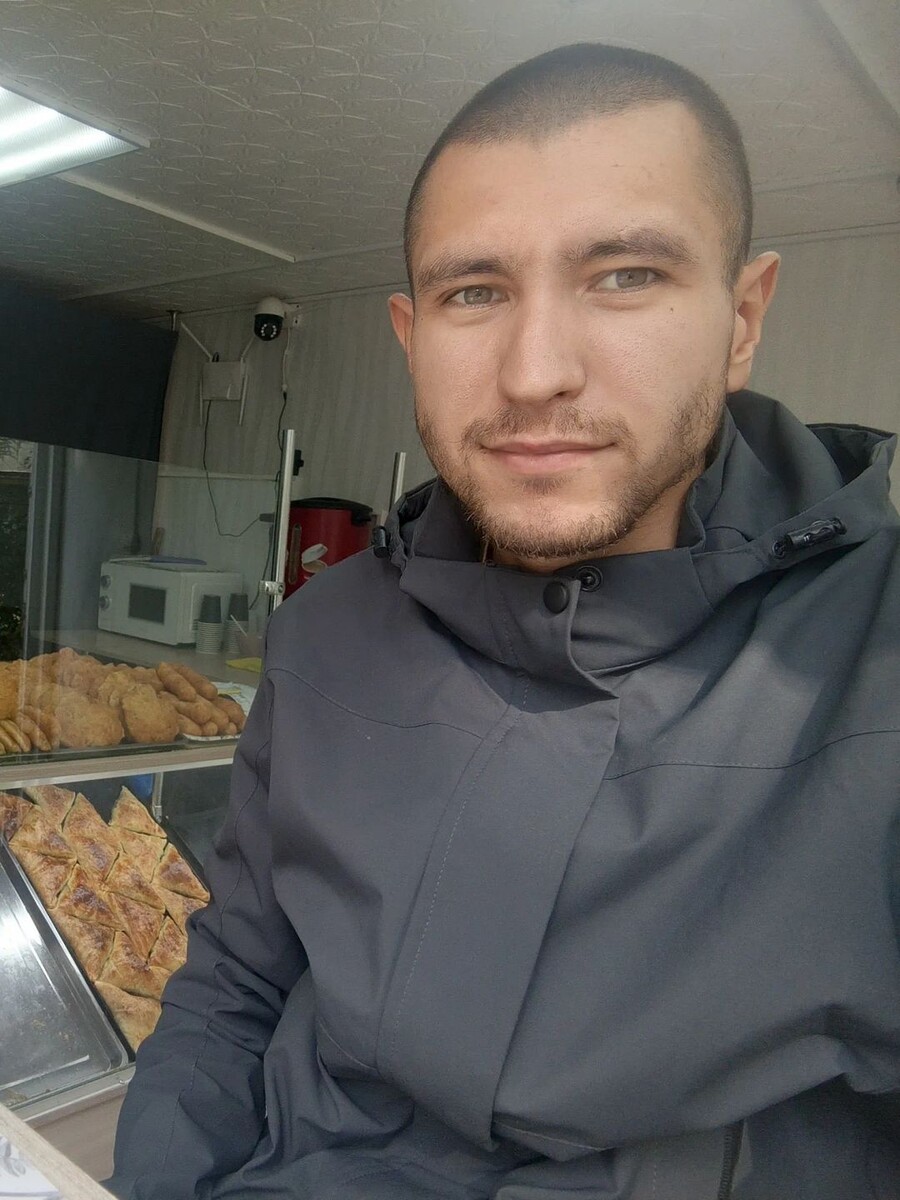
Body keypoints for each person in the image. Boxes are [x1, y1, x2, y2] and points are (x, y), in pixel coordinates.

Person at [107, 43, 900, 1200]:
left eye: (624, 275)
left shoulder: (879, 663)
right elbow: (233, 979)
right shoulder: (324, 634)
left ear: (742, 319)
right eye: (474, 292)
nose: (534, 373)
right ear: (409, 333)